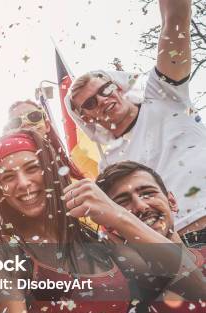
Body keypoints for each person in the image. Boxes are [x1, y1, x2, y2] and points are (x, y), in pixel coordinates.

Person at [0, 130, 201, 313]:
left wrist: (117, 214)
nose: (23, 183)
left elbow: (193, 283)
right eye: (7, 177)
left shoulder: (101, 246)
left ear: (50, 168)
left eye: (32, 168)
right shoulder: (5, 256)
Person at [67, 0, 205, 236]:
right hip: (180, 247)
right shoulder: (108, 165)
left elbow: (175, 20)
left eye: (105, 89)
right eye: (90, 103)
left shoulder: (164, 94)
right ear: (86, 118)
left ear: (119, 86)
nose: (102, 100)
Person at [96, 160, 205, 313]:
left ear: (173, 201)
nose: (141, 206)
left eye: (148, 193)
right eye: (123, 204)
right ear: (109, 226)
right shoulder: (122, 303)